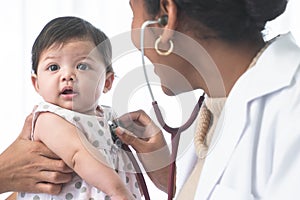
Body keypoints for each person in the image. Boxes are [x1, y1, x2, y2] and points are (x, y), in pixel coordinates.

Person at [113, 0, 300, 199]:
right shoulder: (214, 111)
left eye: (134, 13)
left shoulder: (291, 109)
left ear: (166, 16)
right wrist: (168, 177)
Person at [17, 16, 141, 200]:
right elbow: (77, 154)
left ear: (107, 82)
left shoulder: (109, 117)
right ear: (37, 84)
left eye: (82, 66)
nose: (67, 75)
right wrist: (120, 193)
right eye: (53, 67)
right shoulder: (48, 118)